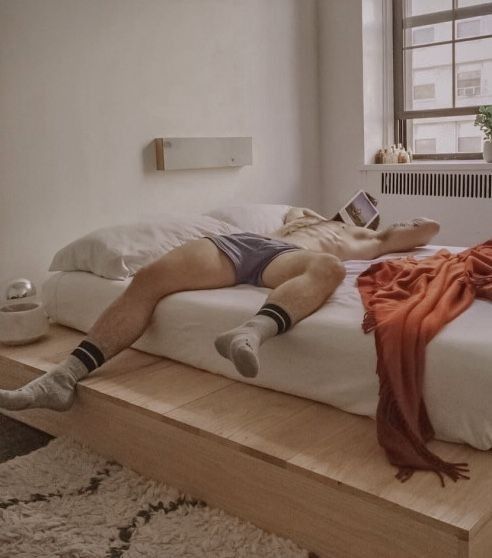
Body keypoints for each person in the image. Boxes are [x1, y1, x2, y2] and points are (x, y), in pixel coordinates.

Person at [0, 207, 440, 412]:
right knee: (149, 278)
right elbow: (279, 216)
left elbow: (429, 229)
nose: (407, 224)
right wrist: (304, 214)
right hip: (242, 242)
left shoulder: (370, 237)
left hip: (284, 258)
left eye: (407, 223)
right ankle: (61, 379)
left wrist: (391, 227)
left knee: (326, 268)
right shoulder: (303, 215)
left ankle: (250, 332)